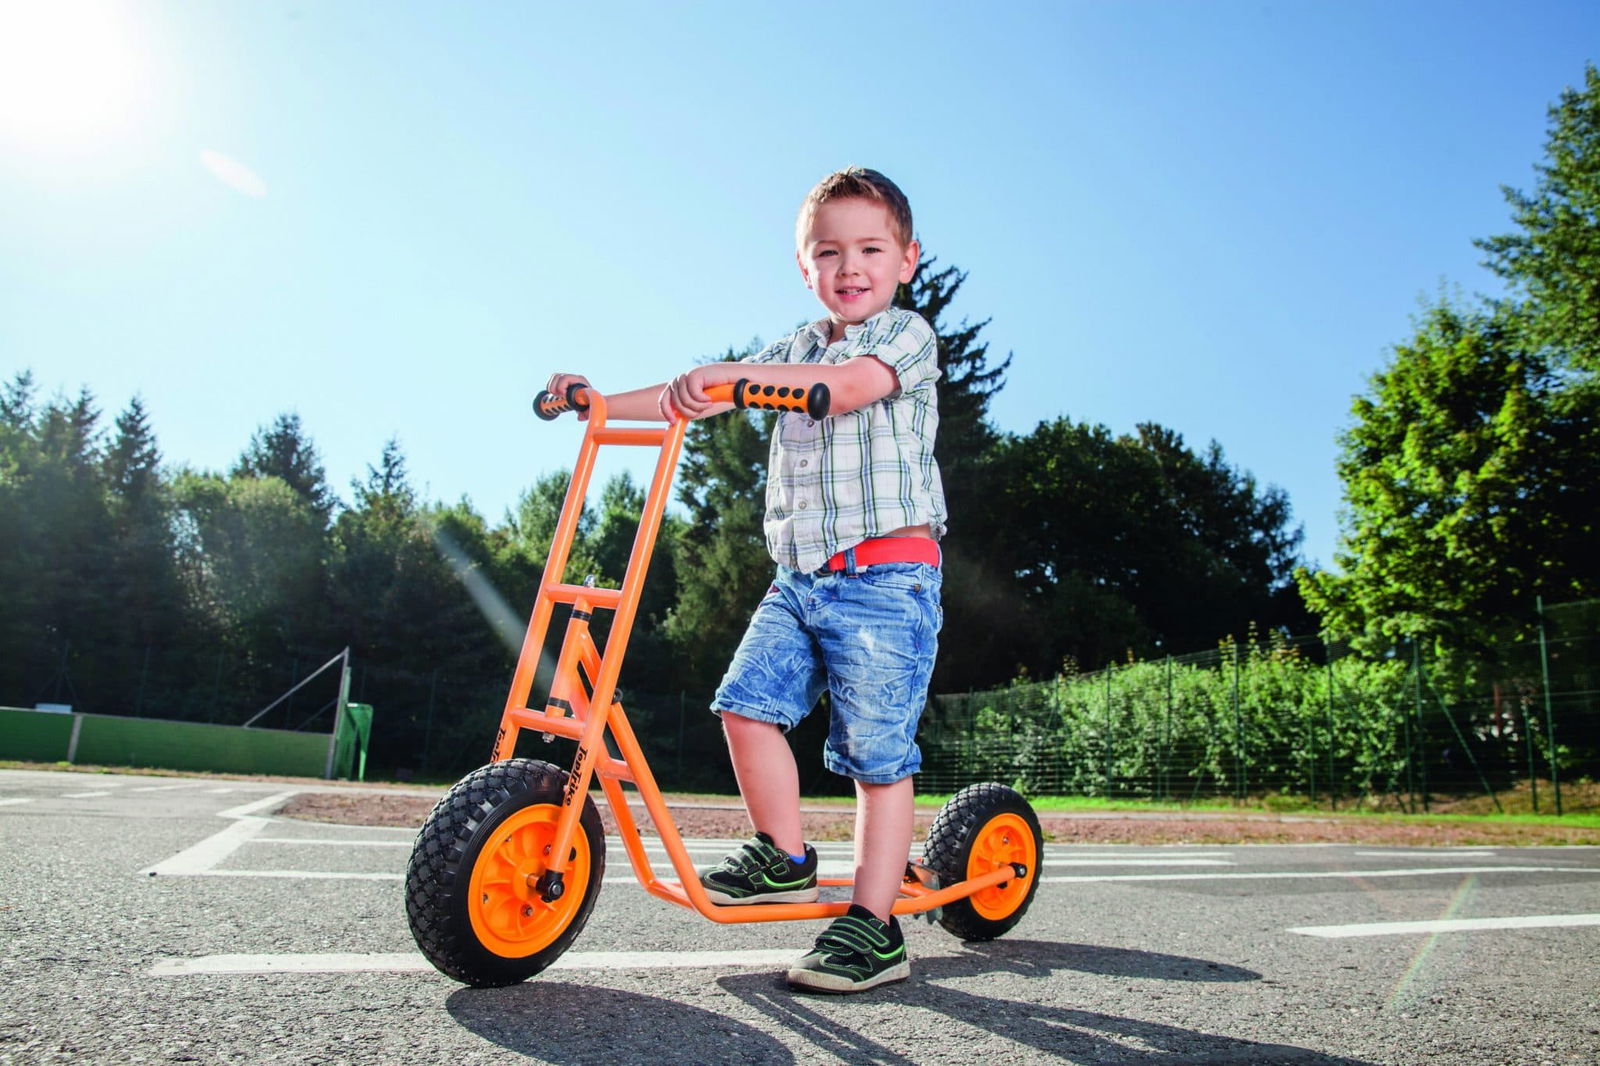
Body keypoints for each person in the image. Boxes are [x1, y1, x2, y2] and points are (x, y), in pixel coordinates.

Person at [545, 166, 945, 994]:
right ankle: (786, 857)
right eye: (828, 252)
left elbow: (843, 391)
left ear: (907, 258)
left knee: (876, 757)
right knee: (745, 707)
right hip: (799, 579)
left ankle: (874, 927)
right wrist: (602, 404)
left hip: (887, 579)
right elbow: (692, 397)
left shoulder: (906, 336)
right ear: (806, 268)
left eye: (870, 248)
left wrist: (732, 375)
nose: (850, 266)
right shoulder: (796, 346)